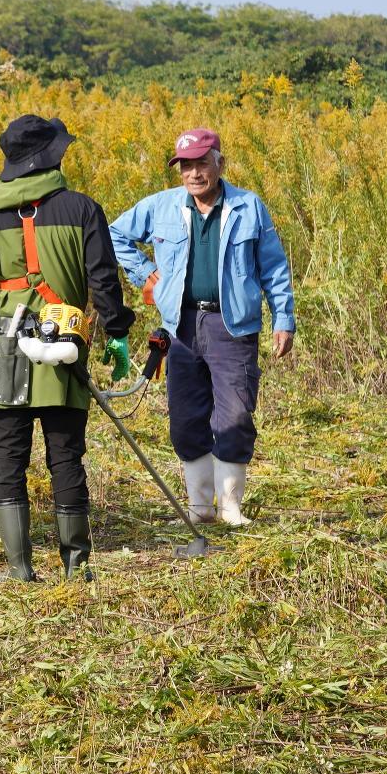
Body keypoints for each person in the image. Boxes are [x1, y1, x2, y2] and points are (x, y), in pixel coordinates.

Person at [0, 115, 135, 581]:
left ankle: (19, 567)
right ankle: (76, 567)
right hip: (63, 342)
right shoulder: (82, 209)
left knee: (9, 455)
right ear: (48, 157)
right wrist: (116, 332)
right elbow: (103, 279)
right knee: (66, 453)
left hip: (3, 349)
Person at [108, 127, 294, 528]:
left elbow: (274, 267)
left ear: (219, 164)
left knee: (236, 414)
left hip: (233, 325)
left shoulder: (248, 206)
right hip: (181, 326)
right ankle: (199, 508)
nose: (194, 173)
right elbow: (115, 234)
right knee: (186, 416)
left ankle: (231, 508)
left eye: (201, 163)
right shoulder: (162, 207)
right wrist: (146, 275)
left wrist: (283, 317)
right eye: (186, 166)